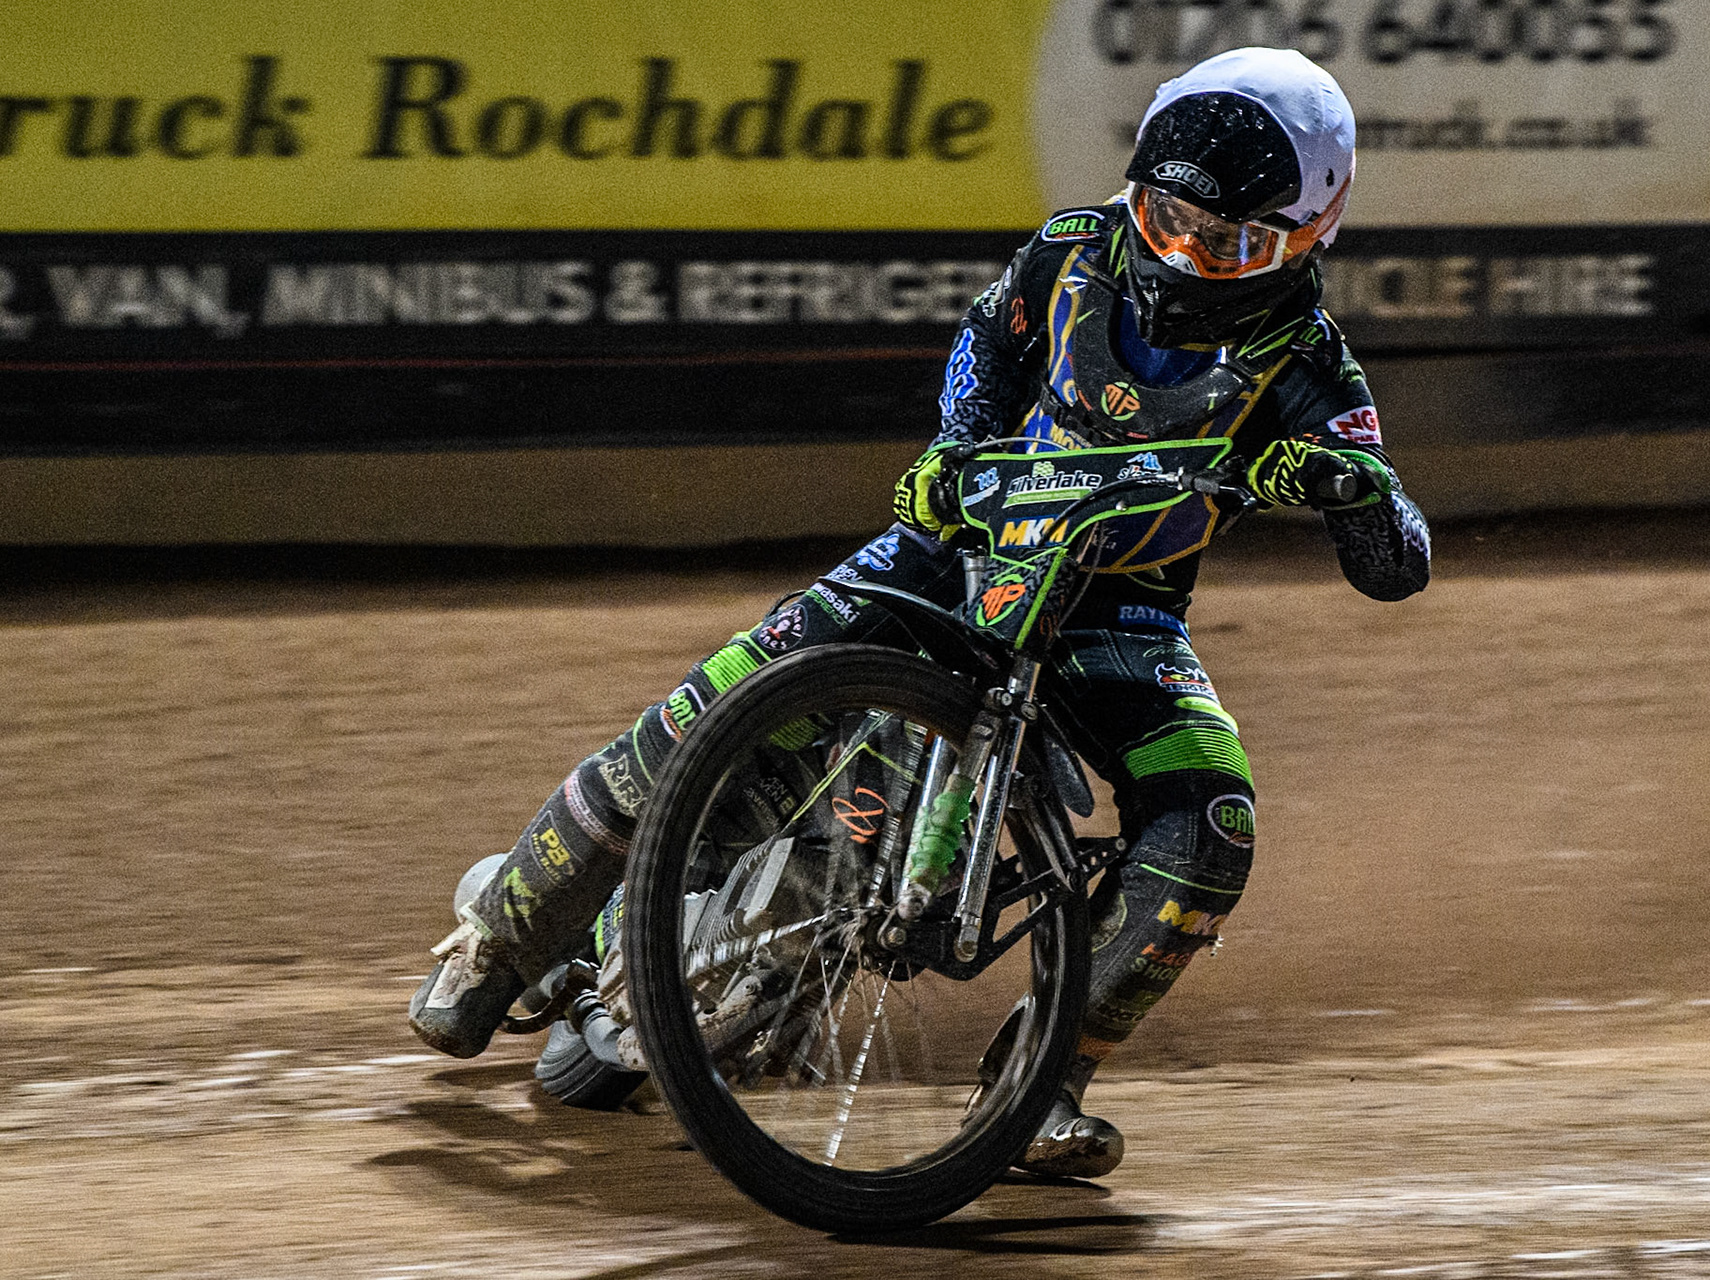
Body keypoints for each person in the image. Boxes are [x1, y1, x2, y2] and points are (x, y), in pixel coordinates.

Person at [408, 46, 1429, 1178]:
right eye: (1168, 215)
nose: (1184, 253)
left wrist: (1357, 495)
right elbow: (986, 346)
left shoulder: (1311, 366)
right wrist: (955, 450)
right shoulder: (1071, 250)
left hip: (1117, 617)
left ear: (1310, 233)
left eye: (1232, 241)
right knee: (714, 708)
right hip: (951, 547)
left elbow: (1398, 562)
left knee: (1212, 824)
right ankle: (496, 937)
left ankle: (1038, 1085)